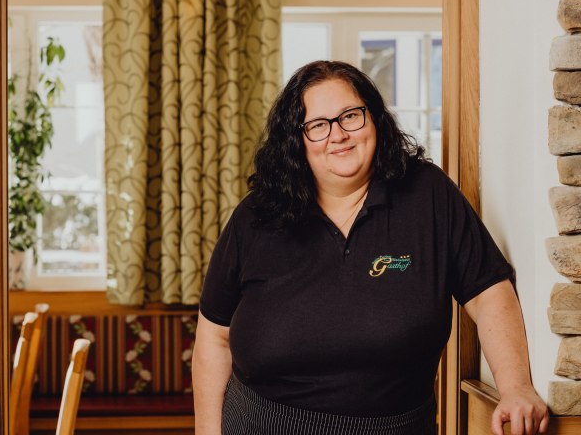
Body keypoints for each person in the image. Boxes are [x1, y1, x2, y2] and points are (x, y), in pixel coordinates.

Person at [192, 60, 548, 435]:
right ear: (297, 141)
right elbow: (215, 337)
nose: (338, 134)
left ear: (374, 118)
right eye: (318, 125)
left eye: (350, 116)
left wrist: (516, 388)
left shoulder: (428, 194)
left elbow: (489, 291)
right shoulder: (256, 216)